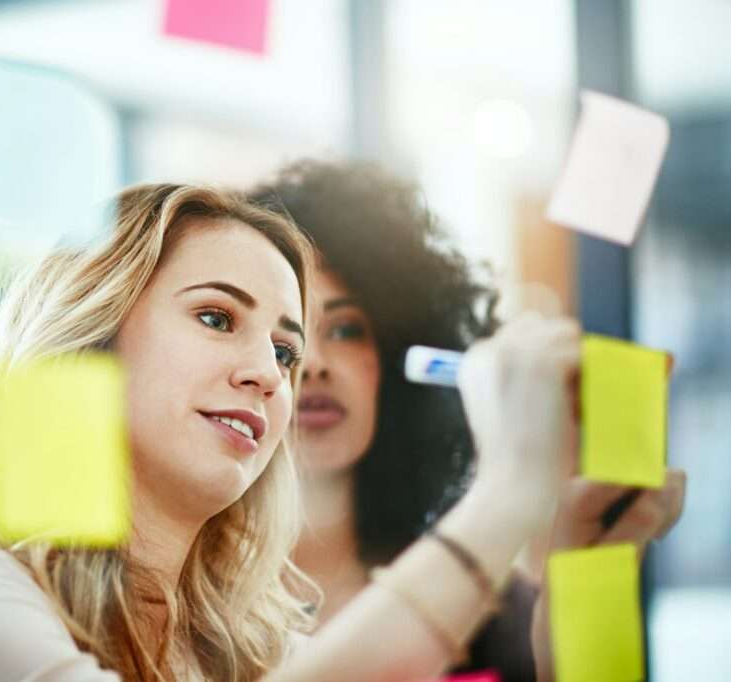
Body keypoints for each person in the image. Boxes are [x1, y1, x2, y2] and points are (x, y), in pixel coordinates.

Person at [0, 182, 589, 681]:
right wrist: (504, 494)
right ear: (90, 341)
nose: (271, 375)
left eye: (284, 350)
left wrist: (584, 555)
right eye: (215, 317)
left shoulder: (263, 656)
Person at [247, 160, 687, 680]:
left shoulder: (495, 606)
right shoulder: (178, 606)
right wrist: (513, 487)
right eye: (283, 340)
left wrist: (590, 573)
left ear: (391, 358)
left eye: (346, 330)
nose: (314, 362)